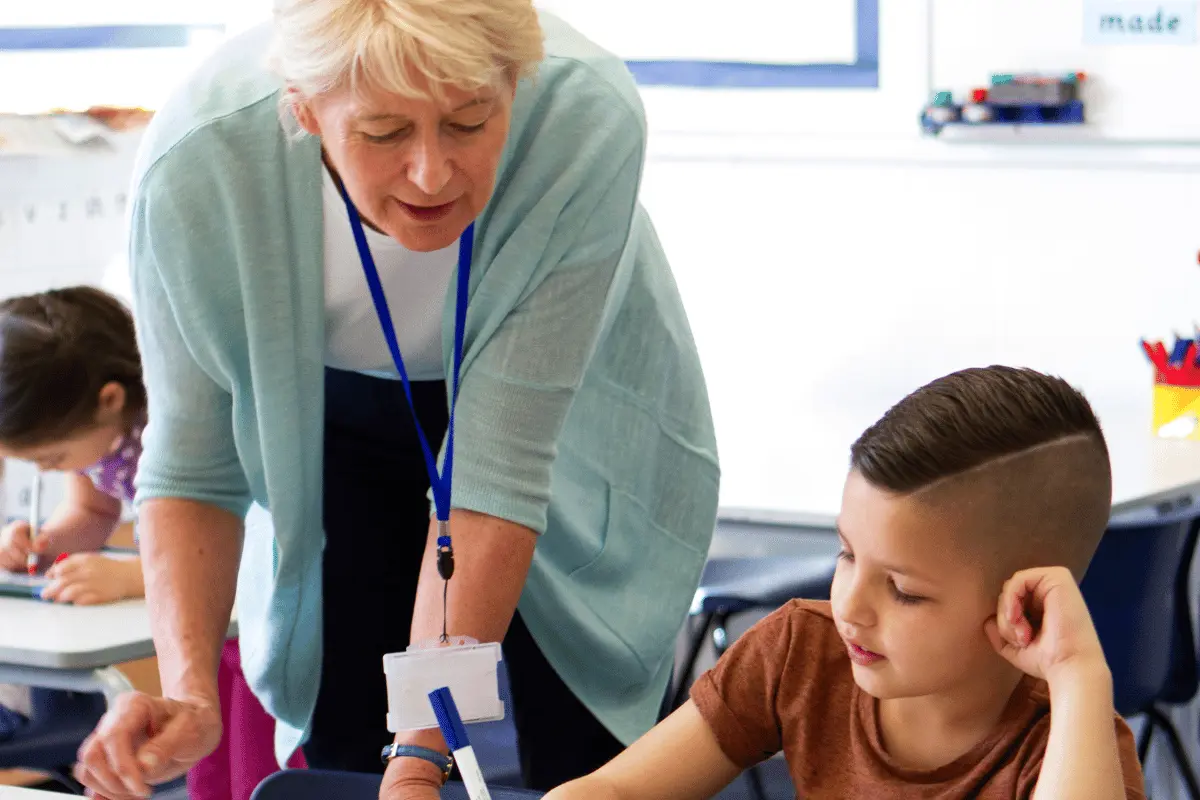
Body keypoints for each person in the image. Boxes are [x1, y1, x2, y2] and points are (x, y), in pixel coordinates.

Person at [72, 1, 719, 798]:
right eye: (383, 133)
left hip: (571, 418)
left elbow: (496, 471)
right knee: (348, 734)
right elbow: (194, 468)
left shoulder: (583, 111)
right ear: (304, 111)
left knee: (593, 755)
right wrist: (189, 695)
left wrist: (421, 754)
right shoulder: (199, 160)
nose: (431, 172)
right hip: (334, 418)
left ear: (517, 84)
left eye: (470, 121)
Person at [545, 366, 1147, 800]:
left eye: (905, 591)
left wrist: (1078, 673)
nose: (850, 609)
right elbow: (621, 788)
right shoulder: (799, 653)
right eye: (846, 554)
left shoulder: (1071, 745)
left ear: (1025, 604)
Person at [0, 287, 304, 800]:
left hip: (255, 614)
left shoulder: (186, 423)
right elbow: (92, 511)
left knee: (258, 759)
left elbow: (250, 540)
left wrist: (133, 575)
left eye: (52, 457)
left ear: (110, 399)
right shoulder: (94, 437)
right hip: (198, 626)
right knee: (204, 752)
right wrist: (45, 542)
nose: (50, 470)